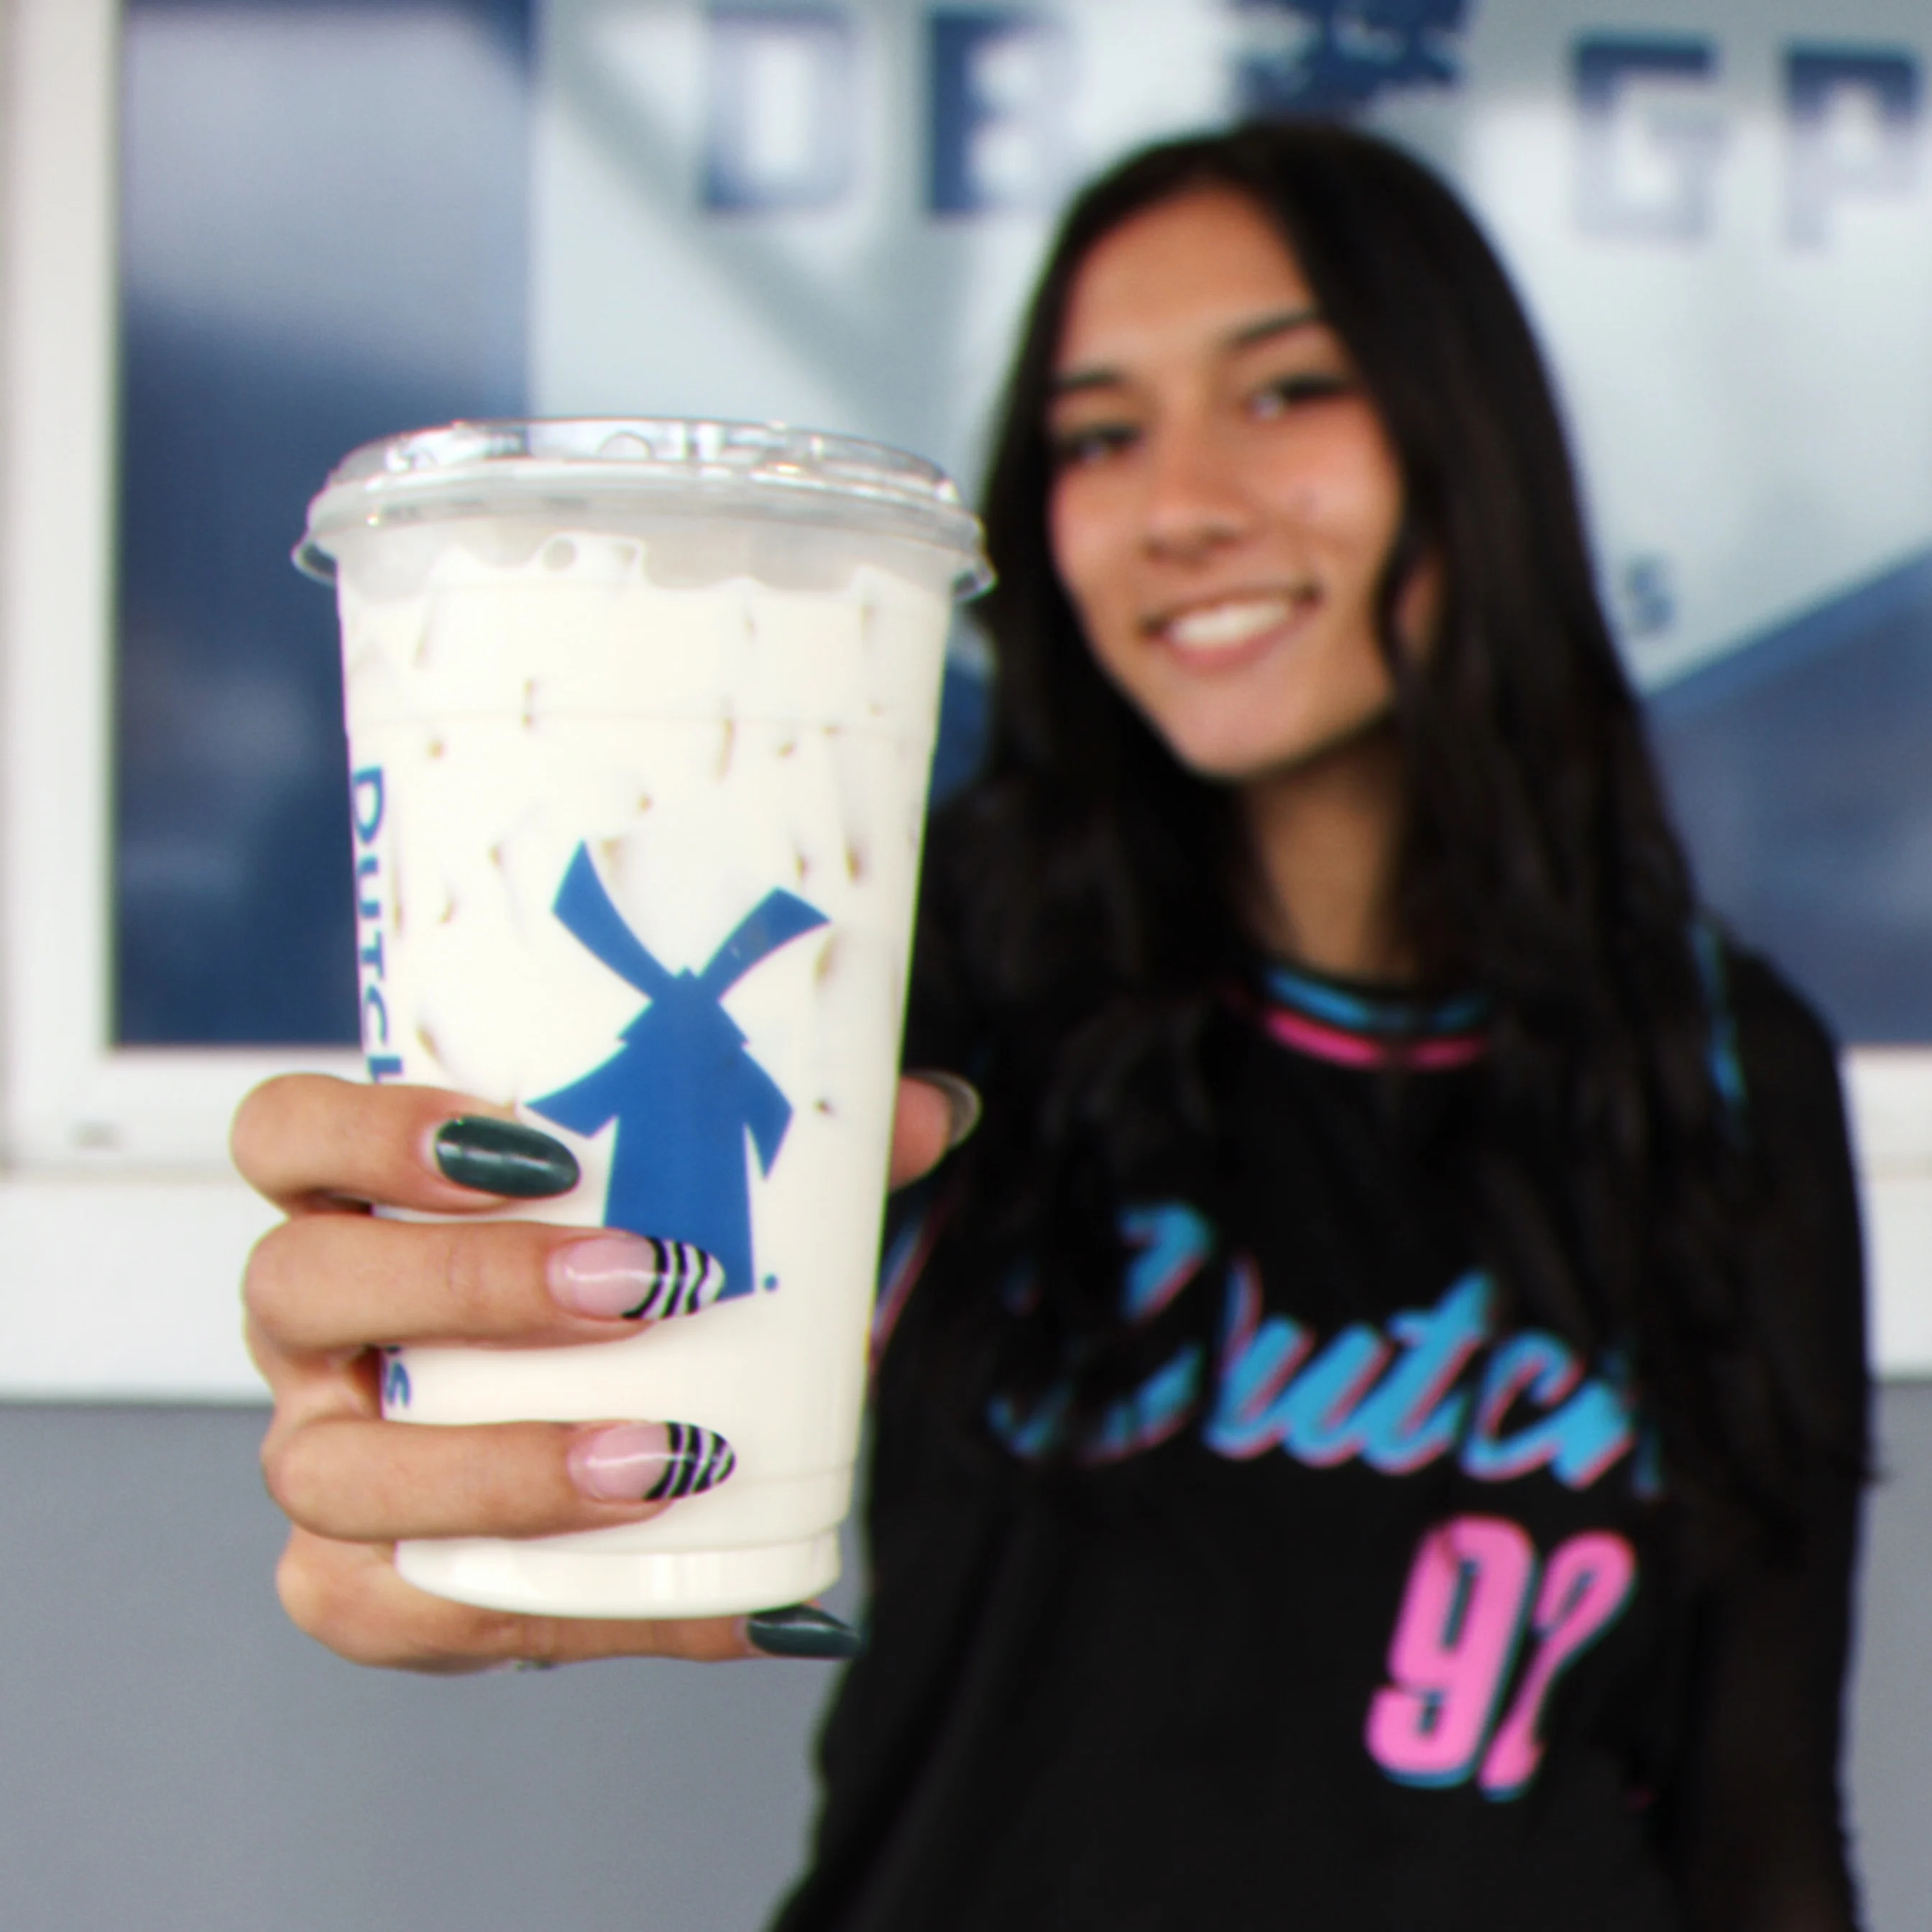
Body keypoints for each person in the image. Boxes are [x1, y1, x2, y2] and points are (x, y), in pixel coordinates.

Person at [235, 123, 1868, 1929]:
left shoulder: (1728, 1063)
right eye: (1102, 433)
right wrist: (454, 1495)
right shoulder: (914, 968)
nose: (1181, 504)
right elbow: (602, 1382)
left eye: (1286, 392)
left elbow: (1760, 1822)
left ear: (1464, 442)